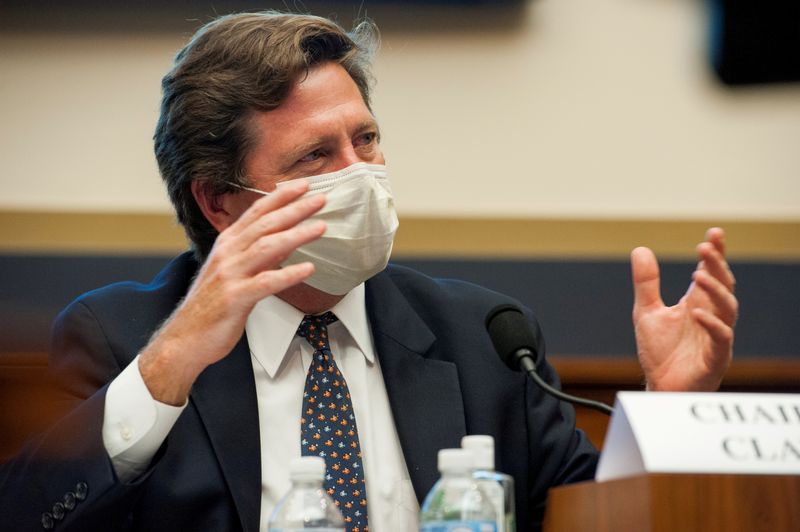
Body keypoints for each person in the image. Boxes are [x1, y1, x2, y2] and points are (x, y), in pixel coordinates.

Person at [0, 11, 737, 532]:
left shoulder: (483, 335)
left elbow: (588, 520)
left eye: (367, 140)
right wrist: (173, 359)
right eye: (316, 156)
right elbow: (33, 515)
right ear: (221, 201)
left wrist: (669, 414)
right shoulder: (120, 338)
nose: (362, 176)